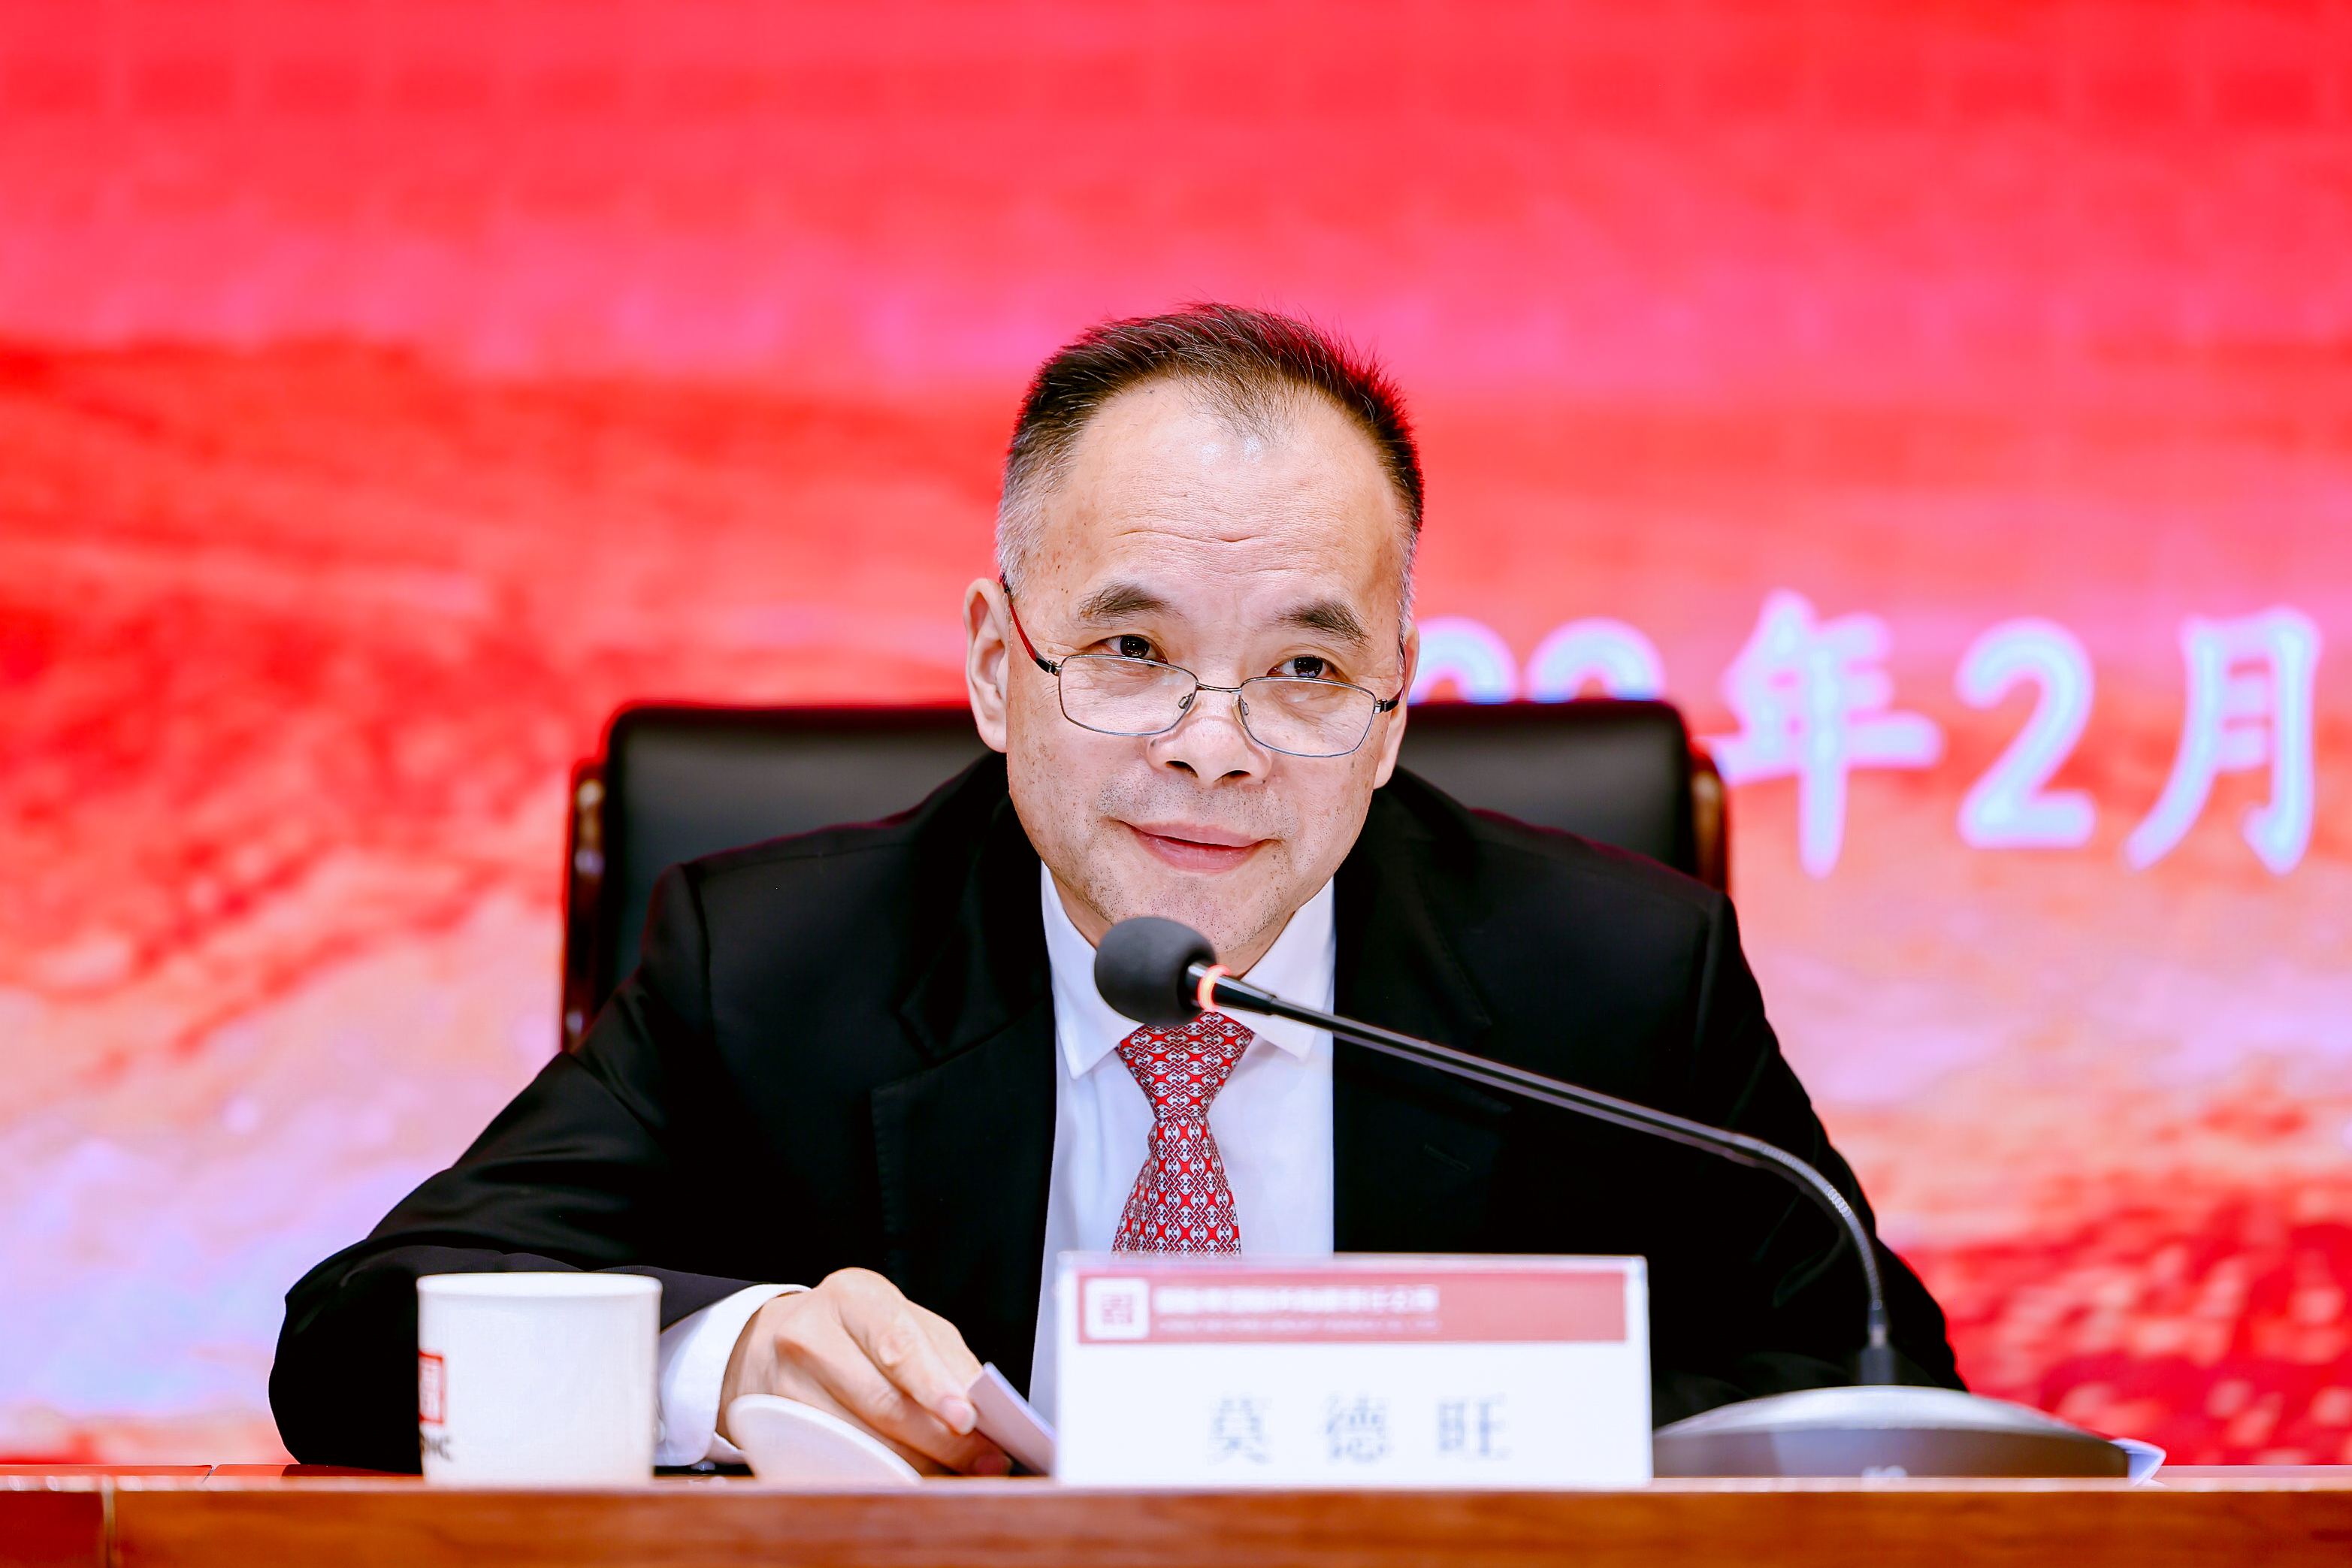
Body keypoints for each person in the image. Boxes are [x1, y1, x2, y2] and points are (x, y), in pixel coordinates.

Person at [272, 304, 1960, 1475]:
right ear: (996, 665)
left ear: (1391, 713)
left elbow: (1880, 1390)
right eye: (1133, 652)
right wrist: (732, 1358)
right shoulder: (775, 967)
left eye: (1305, 669)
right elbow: (355, 1343)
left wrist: (1494, 1432)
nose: (1212, 749)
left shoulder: (1609, 975)